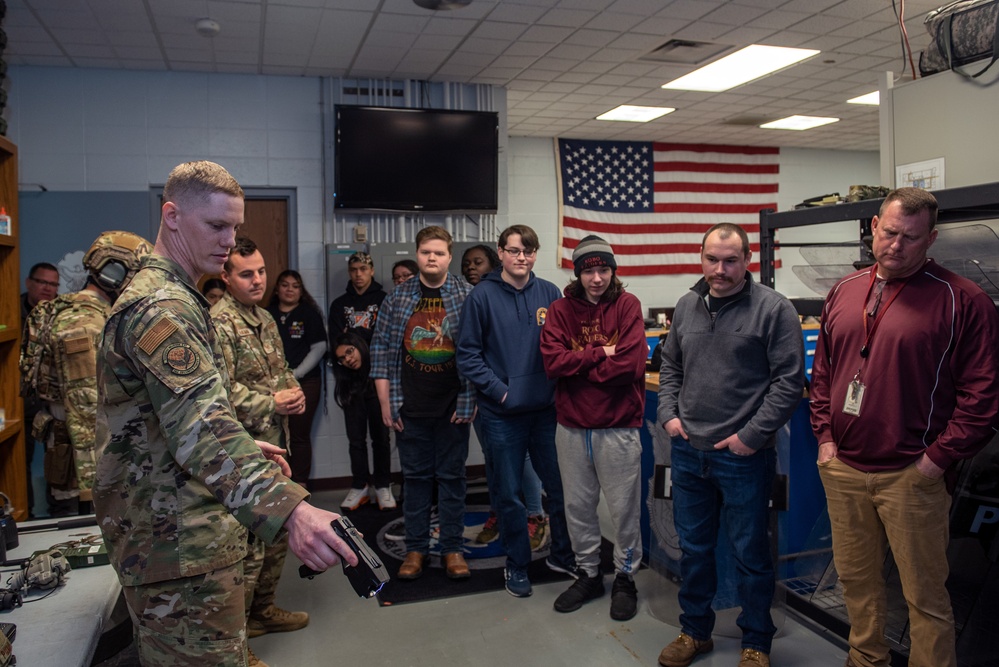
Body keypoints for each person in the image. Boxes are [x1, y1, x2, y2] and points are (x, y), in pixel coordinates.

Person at [93, 160, 357, 667]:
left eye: (234, 227)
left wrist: (243, 442)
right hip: (176, 541)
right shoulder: (162, 307)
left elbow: (172, 415)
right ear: (171, 216)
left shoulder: (180, 297)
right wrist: (294, 512)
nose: (228, 240)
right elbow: (201, 429)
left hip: (184, 525)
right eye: (216, 226)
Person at [809, 187, 999, 667]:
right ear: (874, 227)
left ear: (930, 238)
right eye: (890, 232)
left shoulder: (964, 300)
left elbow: (983, 397)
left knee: (924, 597)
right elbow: (825, 373)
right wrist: (825, 439)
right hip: (845, 469)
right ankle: (865, 659)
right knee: (857, 581)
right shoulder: (845, 290)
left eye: (911, 238)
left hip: (911, 476)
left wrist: (936, 460)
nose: (897, 245)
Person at [657, 223, 804, 667]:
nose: (720, 270)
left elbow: (788, 383)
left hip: (742, 457)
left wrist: (750, 437)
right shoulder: (687, 305)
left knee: (750, 553)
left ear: (747, 262)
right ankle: (694, 631)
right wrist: (669, 415)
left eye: (730, 261)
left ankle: (757, 641)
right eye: (712, 260)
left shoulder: (773, 310)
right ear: (700, 257)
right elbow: (670, 367)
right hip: (688, 452)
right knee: (695, 549)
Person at [455, 224, 577, 598]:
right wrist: (501, 392)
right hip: (501, 413)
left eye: (528, 251)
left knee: (557, 488)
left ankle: (563, 555)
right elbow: (468, 355)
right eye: (514, 251)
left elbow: (565, 346)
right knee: (508, 494)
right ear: (501, 253)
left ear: (535, 254)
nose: (521, 257)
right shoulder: (481, 296)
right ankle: (517, 564)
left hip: (545, 411)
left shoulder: (551, 294)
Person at [539, 235, 646, 620]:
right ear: (578, 272)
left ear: (613, 271)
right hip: (570, 426)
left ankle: (624, 577)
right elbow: (552, 363)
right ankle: (588, 573)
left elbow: (631, 367)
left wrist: (578, 364)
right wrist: (601, 353)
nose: (597, 278)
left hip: (618, 426)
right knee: (578, 507)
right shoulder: (560, 309)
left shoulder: (627, 305)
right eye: (589, 270)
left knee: (622, 509)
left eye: (603, 269)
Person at [212, 237, 309, 656]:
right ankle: (237, 645)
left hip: (276, 444)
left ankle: (263, 611)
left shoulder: (265, 319)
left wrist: (295, 391)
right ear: (226, 277)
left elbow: (282, 368)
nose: (256, 280)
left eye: (261, 272)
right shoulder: (218, 322)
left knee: (276, 534)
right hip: (240, 451)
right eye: (246, 274)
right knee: (243, 549)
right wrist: (270, 401)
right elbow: (216, 392)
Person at [20, 233, 151, 518]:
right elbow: (86, 410)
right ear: (115, 273)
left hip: (95, 460)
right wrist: (97, 486)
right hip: (83, 468)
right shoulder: (83, 322)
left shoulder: (99, 314)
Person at [370, 225, 474, 581]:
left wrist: (470, 396)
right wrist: (386, 402)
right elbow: (381, 349)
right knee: (414, 480)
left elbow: (477, 350)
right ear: (417, 254)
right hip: (408, 405)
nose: (432, 258)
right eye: (426, 252)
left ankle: (452, 548)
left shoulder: (466, 294)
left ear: (449, 256)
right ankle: (415, 548)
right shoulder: (398, 297)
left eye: (440, 253)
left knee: (452, 479)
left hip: (453, 405)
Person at [460, 243, 548, 550]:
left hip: (513, 399)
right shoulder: (472, 297)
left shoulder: (527, 294)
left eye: (478, 262)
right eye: (467, 263)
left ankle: (535, 514)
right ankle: (498, 512)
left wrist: (508, 391)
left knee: (523, 460)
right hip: (479, 397)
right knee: (494, 460)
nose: (471, 267)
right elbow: (469, 353)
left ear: (496, 260)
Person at [329, 251, 395, 511]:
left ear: (371, 271)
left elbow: (386, 336)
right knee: (355, 438)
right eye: (353, 269)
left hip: (377, 377)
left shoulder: (383, 300)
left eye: (363, 269)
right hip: (350, 381)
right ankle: (359, 485)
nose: (358, 274)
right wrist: (364, 336)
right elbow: (338, 342)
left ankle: (383, 485)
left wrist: (355, 335)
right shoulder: (339, 304)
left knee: (381, 437)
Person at [266, 269, 327, 489]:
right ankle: (279, 484)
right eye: (285, 285)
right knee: (276, 434)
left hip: (305, 381)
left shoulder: (308, 313)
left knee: (299, 435)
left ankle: (299, 485)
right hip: (272, 385)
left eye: (295, 286)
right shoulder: (266, 313)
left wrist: (295, 374)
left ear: (301, 291)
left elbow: (319, 347)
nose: (290, 289)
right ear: (277, 288)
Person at [19, 261, 60, 518]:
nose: (48, 288)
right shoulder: (11, 311)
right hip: (21, 403)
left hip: (50, 405)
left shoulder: (61, 314)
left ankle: (55, 511)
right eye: (43, 282)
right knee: (18, 463)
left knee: (56, 464)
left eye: (54, 284)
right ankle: (26, 514)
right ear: (29, 282)